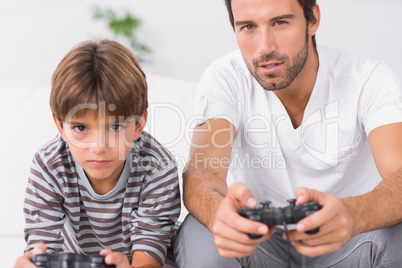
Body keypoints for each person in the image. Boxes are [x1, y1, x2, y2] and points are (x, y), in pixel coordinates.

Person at [174, 0, 402, 267]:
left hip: (349, 239)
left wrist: (354, 214)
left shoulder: (368, 80)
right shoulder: (225, 78)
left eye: (280, 22)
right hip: (258, 240)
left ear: (313, 20)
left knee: (396, 231)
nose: (264, 47)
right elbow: (202, 171)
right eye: (248, 26)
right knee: (202, 229)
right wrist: (219, 213)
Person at [14, 40, 181, 268]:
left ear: (139, 124)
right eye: (81, 128)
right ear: (60, 127)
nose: (99, 146)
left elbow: (150, 257)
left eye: (115, 127)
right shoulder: (49, 165)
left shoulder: (157, 167)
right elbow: (42, 247)